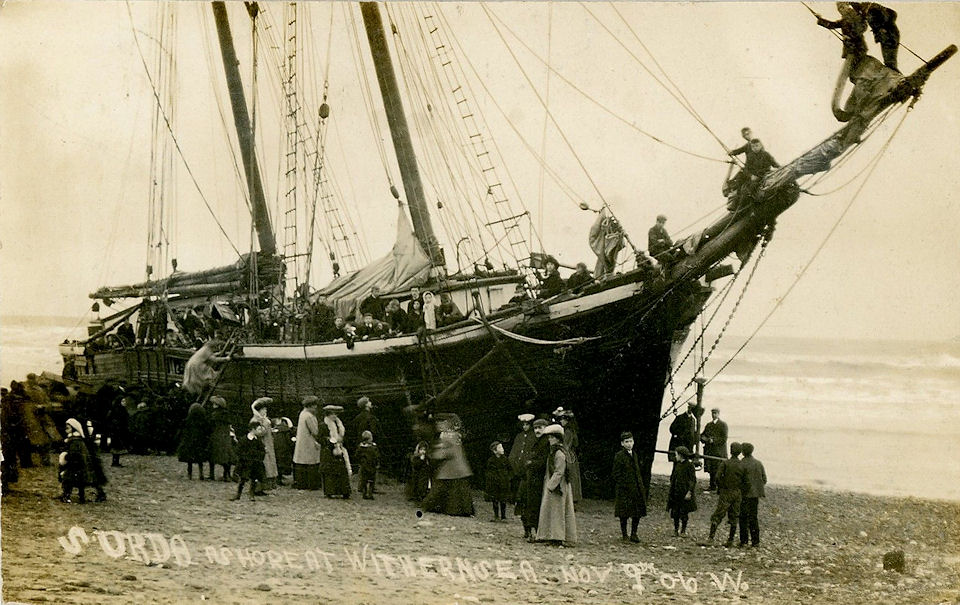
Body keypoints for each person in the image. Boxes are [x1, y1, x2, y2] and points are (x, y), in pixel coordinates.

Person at [817, 2, 900, 71]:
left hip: (859, 47)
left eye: (843, 7)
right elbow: (832, 25)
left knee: (864, 68)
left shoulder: (856, 15)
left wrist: (851, 36)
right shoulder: (845, 20)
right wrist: (820, 20)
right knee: (853, 70)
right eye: (839, 9)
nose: (841, 10)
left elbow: (861, 28)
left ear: (847, 6)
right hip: (851, 48)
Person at [422, 415, 475, 516]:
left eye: (441, 423)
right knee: (459, 491)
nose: (438, 425)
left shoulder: (446, 436)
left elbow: (444, 453)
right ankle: (461, 510)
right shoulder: (455, 435)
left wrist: (432, 455)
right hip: (459, 468)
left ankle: (435, 507)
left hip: (452, 468)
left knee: (441, 488)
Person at [536, 424, 577, 545]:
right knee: (552, 511)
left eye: (552, 437)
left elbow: (559, 472)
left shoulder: (559, 453)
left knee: (557, 512)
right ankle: (550, 535)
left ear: (557, 438)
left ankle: (557, 537)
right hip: (554, 484)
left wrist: (550, 486)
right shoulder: (554, 452)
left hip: (558, 486)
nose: (549, 440)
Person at [707, 442, 744, 547]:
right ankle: (730, 540)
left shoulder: (725, 463)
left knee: (718, 514)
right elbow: (746, 481)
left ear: (731, 451)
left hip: (726, 491)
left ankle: (711, 538)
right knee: (734, 516)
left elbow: (717, 477)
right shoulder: (742, 465)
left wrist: (721, 486)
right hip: (737, 492)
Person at [612, 431, 647, 543]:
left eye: (631, 441)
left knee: (636, 513)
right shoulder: (619, 456)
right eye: (626, 442)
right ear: (622, 443)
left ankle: (634, 533)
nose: (629, 444)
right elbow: (616, 474)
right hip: (625, 490)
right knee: (624, 514)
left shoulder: (635, 455)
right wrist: (623, 485)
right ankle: (624, 535)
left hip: (636, 488)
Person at [521, 419, 550, 541]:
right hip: (532, 478)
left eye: (540, 427)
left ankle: (539, 533)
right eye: (536, 428)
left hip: (540, 479)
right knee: (530, 504)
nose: (537, 430)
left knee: (537, 505)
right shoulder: (537, 442)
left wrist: (531, 463)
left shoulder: (546, 443)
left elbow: (543, 462)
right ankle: (534, 531)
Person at [58, 418, 96, 504]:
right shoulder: (76, 440)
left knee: (68, 481)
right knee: (79, 482)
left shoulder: (74, 441)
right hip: (79, 465)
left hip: (74, 465)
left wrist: (66, 457)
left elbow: (74, 454)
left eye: (68, 428)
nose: (66, 430)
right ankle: (81, 496)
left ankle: (66, 496)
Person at [319, 405, 351, 499]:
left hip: (338, 448)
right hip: (328, 450)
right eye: (333, 414)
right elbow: (320, 438)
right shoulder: (323, 425)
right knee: (329, 471)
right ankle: (330, 491)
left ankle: (344, 491)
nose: (335, 416)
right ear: (328, 415)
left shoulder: (338, 424)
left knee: (341, 470)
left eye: (336, 414)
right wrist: (329, 441)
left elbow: (341, 436)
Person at [738, 442, 767, 548]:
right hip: (755, 495)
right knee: (753, 517)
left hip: (744, 494)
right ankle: (755, 541)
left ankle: (744, 541)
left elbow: (739, 480)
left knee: (743, 518)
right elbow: (764, 479)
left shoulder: (741, 463)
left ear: (742, 452)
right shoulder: (758, 463)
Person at [508, 413, 537, 514]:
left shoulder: (534, 436)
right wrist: (512, 460)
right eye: (523, 425)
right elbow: (515, 449)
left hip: (527, 464)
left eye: (527, 424)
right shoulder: (519, 436)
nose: (525, 427)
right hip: (518, 463)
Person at [231, 419, 266, 501]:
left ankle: (252, 494)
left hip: (255, 463)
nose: (260, 431)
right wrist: (244, 458)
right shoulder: (244, 440)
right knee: (243, 479)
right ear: (253, 429)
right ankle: (238, 494)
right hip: (245, 463)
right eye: (258, 429)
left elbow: (262, 451)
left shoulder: (258, 441)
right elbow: (238, 451)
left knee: (254, 479)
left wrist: (258, 457)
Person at [667, 446, 698, 537]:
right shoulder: (677, 464)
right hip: (676, 492)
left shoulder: (689, 466)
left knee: (684, 513)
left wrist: (689, 492)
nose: (675, 456)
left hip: (684, 493)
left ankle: (683, 530)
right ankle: (676, 529)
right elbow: (673, 476)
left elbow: (693, 480)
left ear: (681, 455)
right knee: (675, 512)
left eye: (676, 455)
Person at [292, 396, 322, 490]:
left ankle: (302, 484)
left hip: (302, 443)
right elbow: (315, 431)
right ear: (310, 405)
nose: (316, 408)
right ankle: (312, 485)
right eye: (314, 406)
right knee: (311, 463)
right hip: (309, 443)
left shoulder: (302, 414)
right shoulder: (309, 416)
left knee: (302, 463)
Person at [177, 401, 211, 480]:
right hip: (200, 443)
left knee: (189, 461)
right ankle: (201, 474)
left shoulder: (187, 421)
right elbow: (208, 431)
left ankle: (190, 475)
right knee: (200, 460)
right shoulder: (203, 421)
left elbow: (182, 431)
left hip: (189, 443)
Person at [554, 409, 582, 502]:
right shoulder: (571, 431)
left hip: (567, 454)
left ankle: (572, 497)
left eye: (563, 419)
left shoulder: (568, 432)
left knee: (569, 475)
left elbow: (566, 445)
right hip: (571, 454)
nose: (562, 421)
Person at [251, 397, 278, 490]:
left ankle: (270, 483)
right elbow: (259, 432)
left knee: (270, 462)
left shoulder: (263, 419)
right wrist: (266, 425)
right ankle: (262, 485)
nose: (265, 411)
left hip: (268, 443)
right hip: (262, 444)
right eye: (263, 409)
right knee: (265, 463)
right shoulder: (255, 420)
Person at [208, 396, 237, 482]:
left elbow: (211, 426)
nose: (213, 405)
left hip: (216, 436)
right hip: (225, 437)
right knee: (226, 457)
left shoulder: (214, 415)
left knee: (212, 456)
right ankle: (226, 474)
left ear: (217, 405)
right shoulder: (226, 414)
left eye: (214, 403)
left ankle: (211, 474)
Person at [700, 408, 729, 491]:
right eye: (712, 413)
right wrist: (703, 438)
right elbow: (702, 435)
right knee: (711, 469)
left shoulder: (723, 425)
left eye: (715, 413)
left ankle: (719, 487)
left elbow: (724, 439)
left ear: (718, 414)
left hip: (718, 452)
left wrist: (714, 441)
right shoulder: (709, 425)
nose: (713, 415)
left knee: (718, 469)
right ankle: (712, 486)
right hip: (709, 451)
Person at [484, 441, 513, 521]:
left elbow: (510, 469)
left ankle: (503, 516)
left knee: (503, 500)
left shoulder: (505, 459)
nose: (502, 449)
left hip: (504, 482)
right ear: (495, 451)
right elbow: (489, 472)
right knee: (495, 500)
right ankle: (496, 516)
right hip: (494, 483)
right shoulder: (491, 460)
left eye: (502, 447)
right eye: (500, 448)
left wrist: (508, 478)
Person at [355, 430, 380, 500]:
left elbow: (357, 455)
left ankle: (364, 493)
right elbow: (376, 456)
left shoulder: (360, 447)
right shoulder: (373, 447)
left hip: (363, 465)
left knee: (364, 480)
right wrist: (377, 463)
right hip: (372, 465)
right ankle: (370, 493)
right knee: (372, 480)